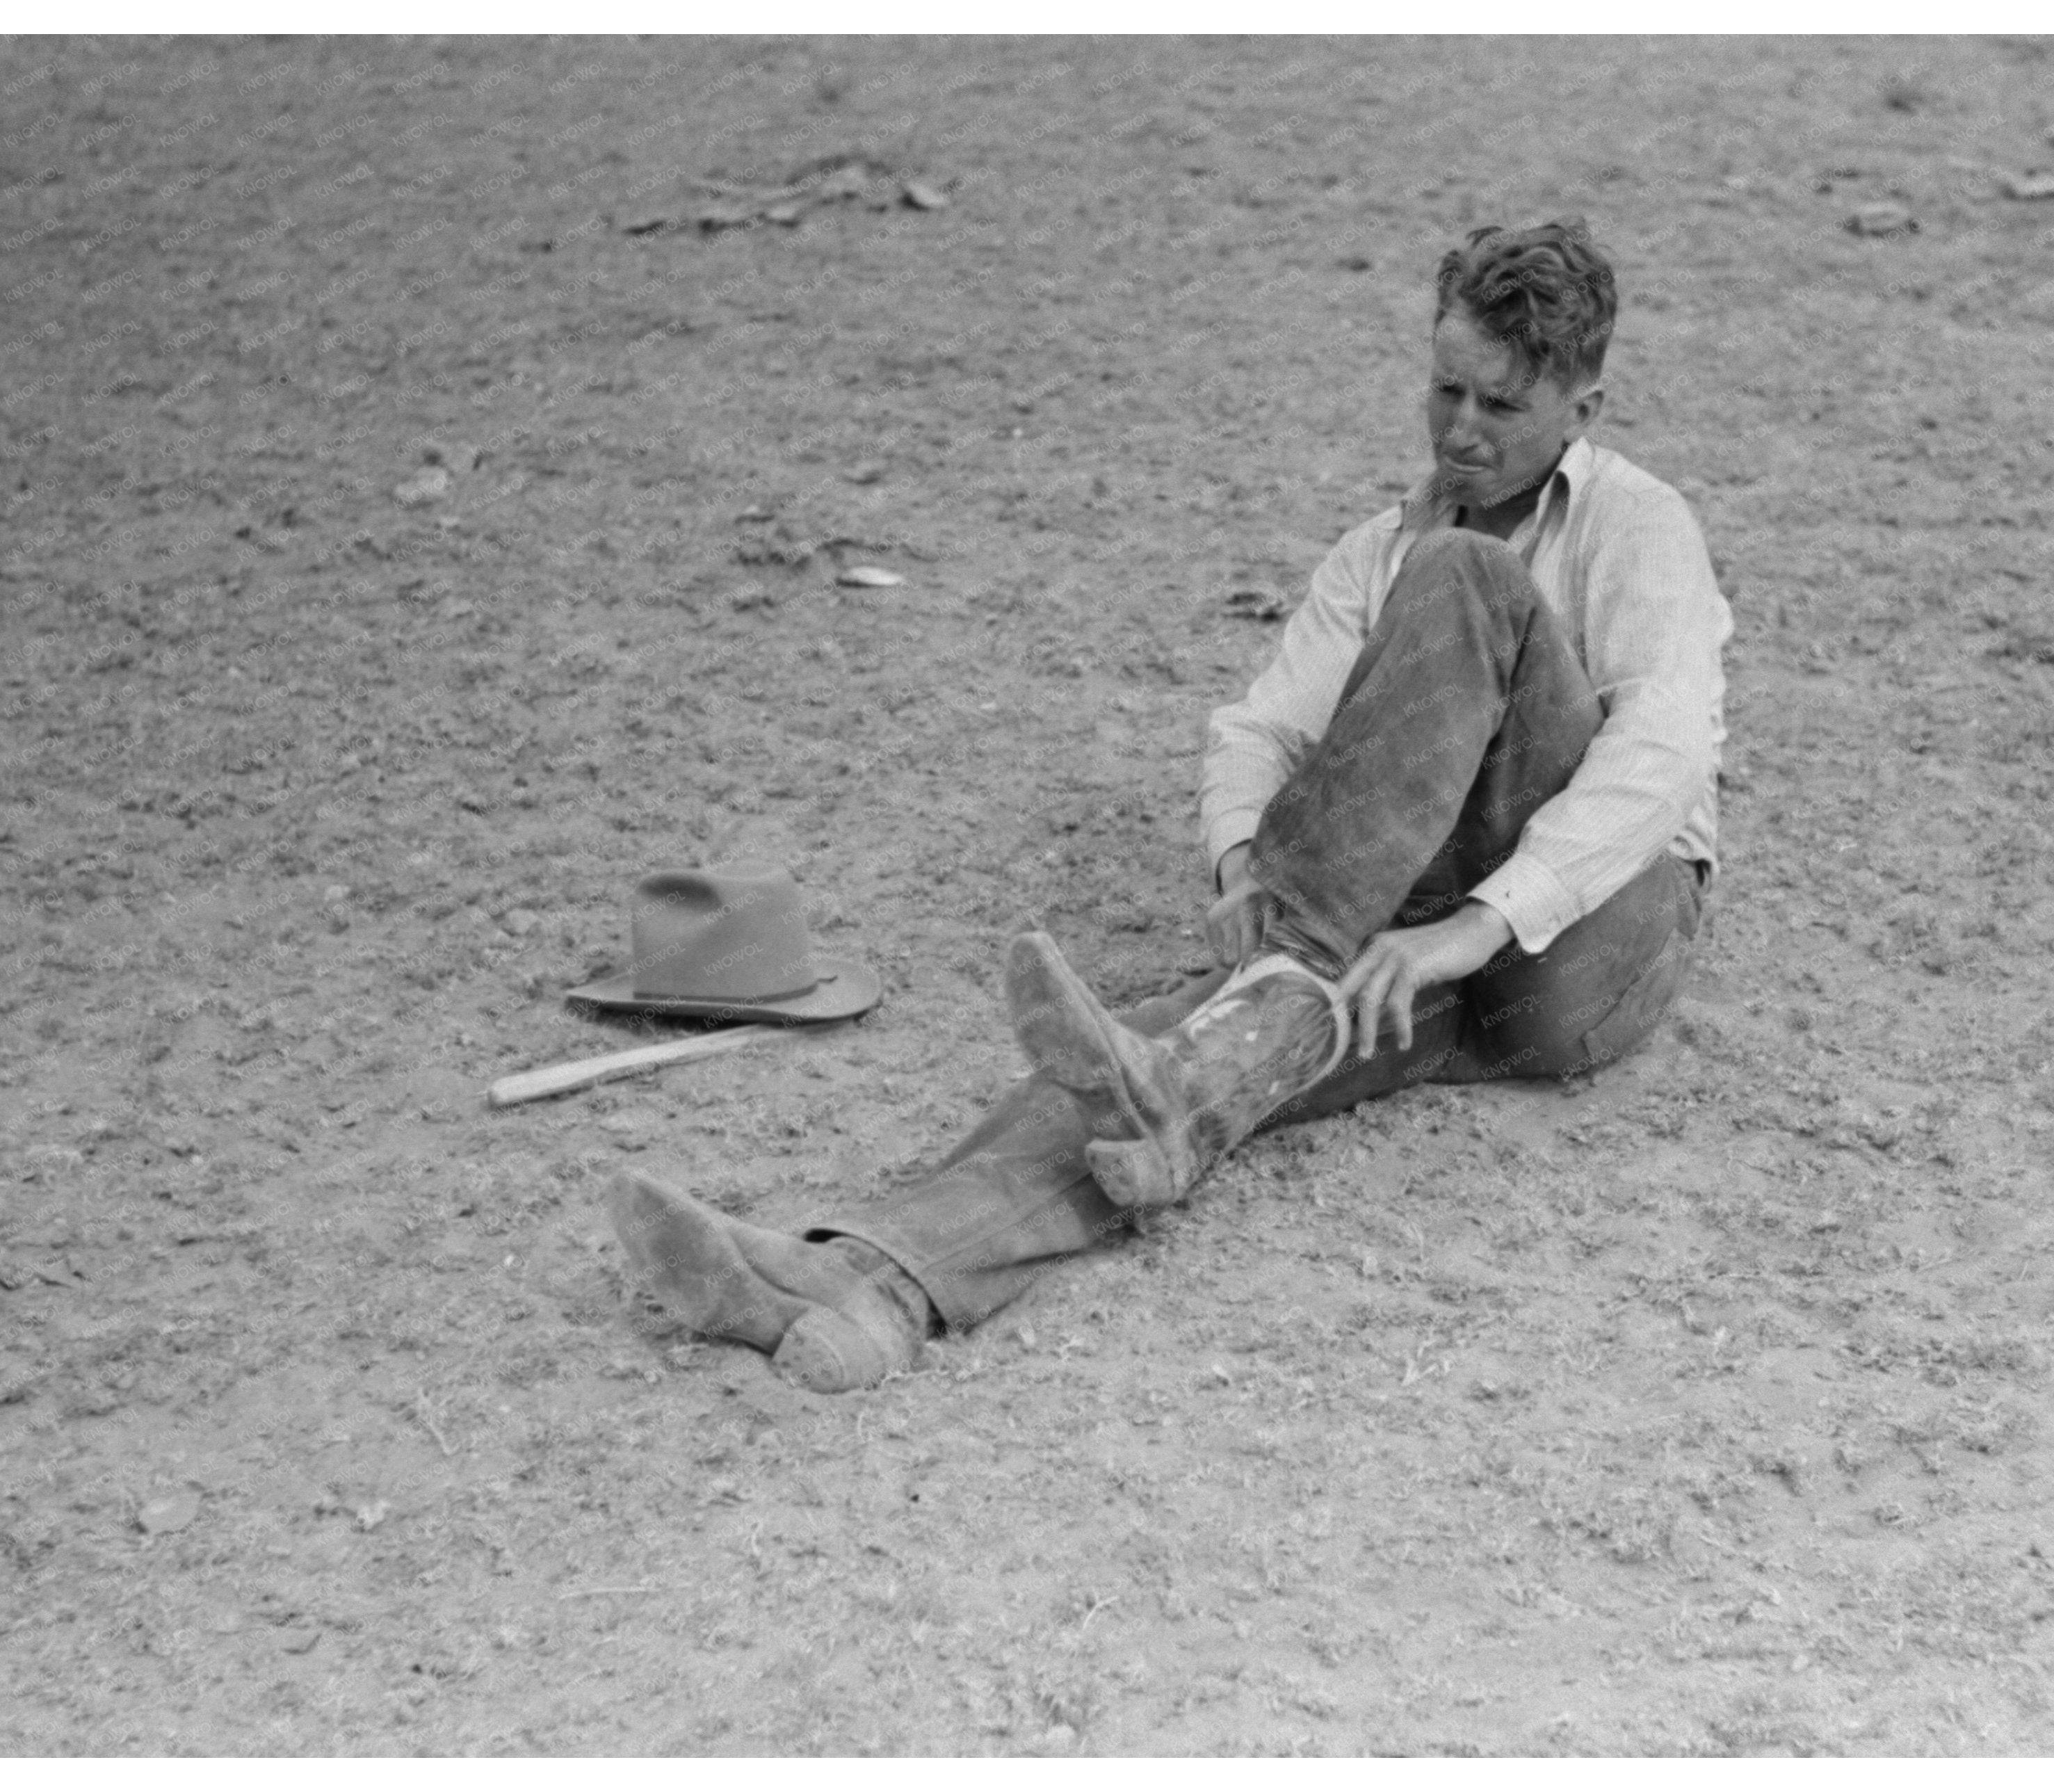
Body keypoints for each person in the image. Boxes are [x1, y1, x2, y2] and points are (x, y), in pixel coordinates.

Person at [606, 218, 1732, 1391]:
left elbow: (1664, 749)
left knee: (1463, 581)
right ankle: (862, 1282)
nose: (1458, 429)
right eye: (1443, 388)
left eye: (1499, 407)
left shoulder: (1636, 525)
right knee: (1141, 1070)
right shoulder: (1373, 548)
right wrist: (1244, 859)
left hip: (1584, 954)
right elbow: (1263, 727)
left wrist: (1478, 921)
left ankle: (1269, 991)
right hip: (1406, 943)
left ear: (1581, 412)